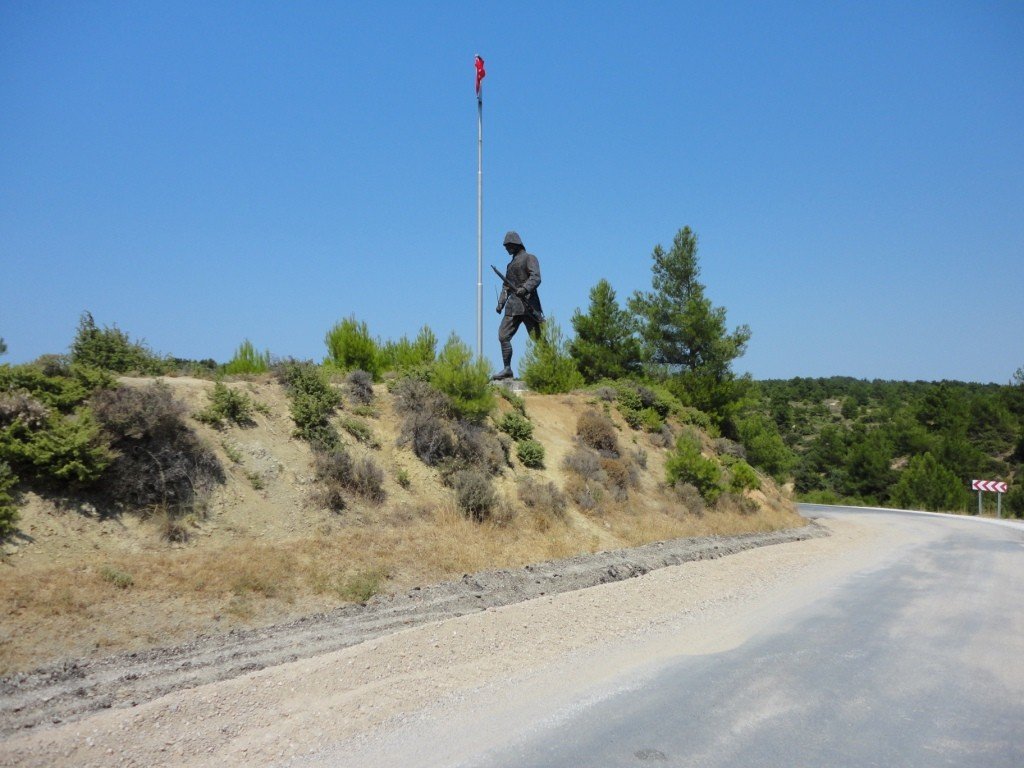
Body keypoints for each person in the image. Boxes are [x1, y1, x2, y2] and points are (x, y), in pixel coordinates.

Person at [493, 230, 543, 380]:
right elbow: (506, 286)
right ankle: (507, 369)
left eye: (508, 246)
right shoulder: (510, 265)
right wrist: (501, 303)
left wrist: (525, 288)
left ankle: (549, 366)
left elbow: (536, 277)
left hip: (528, 305)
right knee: (503, 335)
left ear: (515, 244)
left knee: (538, 339)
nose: (507, 249)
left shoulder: (529, 258)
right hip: (513, 306)